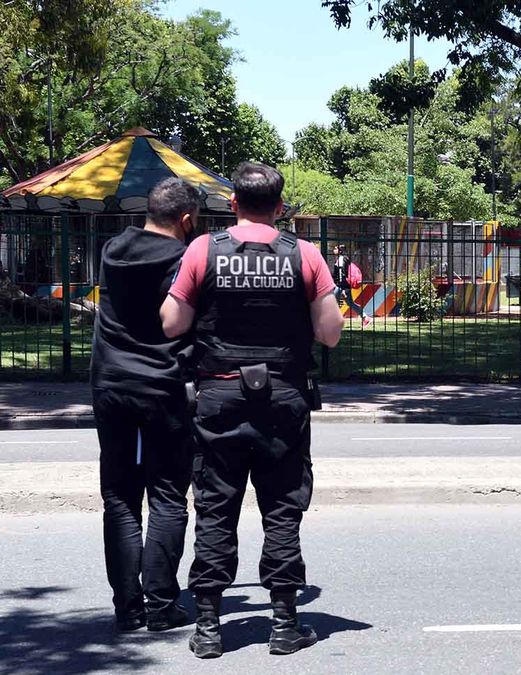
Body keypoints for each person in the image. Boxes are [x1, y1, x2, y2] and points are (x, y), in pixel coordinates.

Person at [161, 162, 343, 659]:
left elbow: (173, 323)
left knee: (216, 508)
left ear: (233, 204)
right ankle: (285, 624)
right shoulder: (304, 255)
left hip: (218, 397)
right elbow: (330, 333)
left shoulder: (203, 249)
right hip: (283, 399)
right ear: (280, 208)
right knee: (282, 508)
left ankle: (208, 628)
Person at [91, 177, 200, 633]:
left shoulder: (113, 249)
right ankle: (160, 604)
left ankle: (127, 608)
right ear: (187, 220)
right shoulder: (185, 260)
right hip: (164, 385)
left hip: (110, 382)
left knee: (119, 496)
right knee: (168, 496)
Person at [332, 244, 370, 326]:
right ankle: (365, 317)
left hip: (341, 286)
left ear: (340, 250)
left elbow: (342, 275)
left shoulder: (341, 259)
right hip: (343, 286)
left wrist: (343, 289)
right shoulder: (343, 259)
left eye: (335, 248)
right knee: (350, 303)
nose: (333, 250)